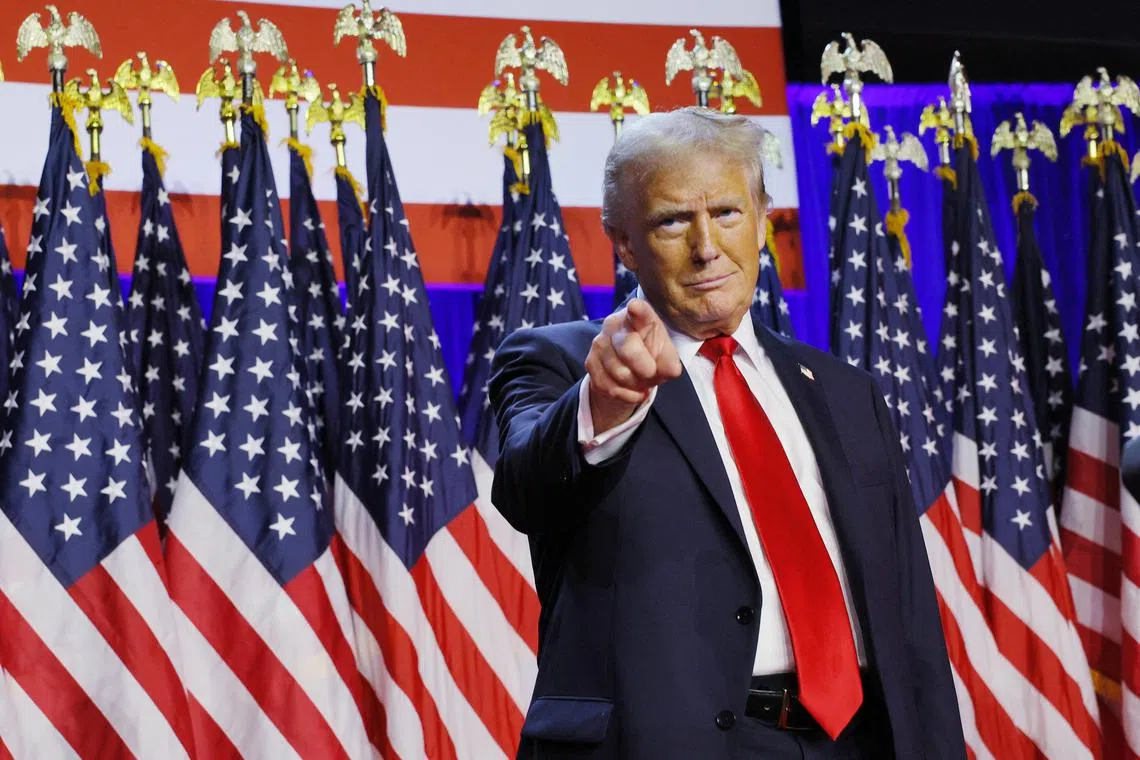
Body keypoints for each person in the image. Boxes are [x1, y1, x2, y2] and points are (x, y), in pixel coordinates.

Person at [489, 107, 965, 759]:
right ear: (624, 242)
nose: (706, 246)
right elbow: (526, 488)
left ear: (763, 217)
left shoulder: (845, 391)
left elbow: (908, 612)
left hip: (857, 742)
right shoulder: (566, 364)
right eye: (672, 220)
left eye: (727, 213)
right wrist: (607, 402)